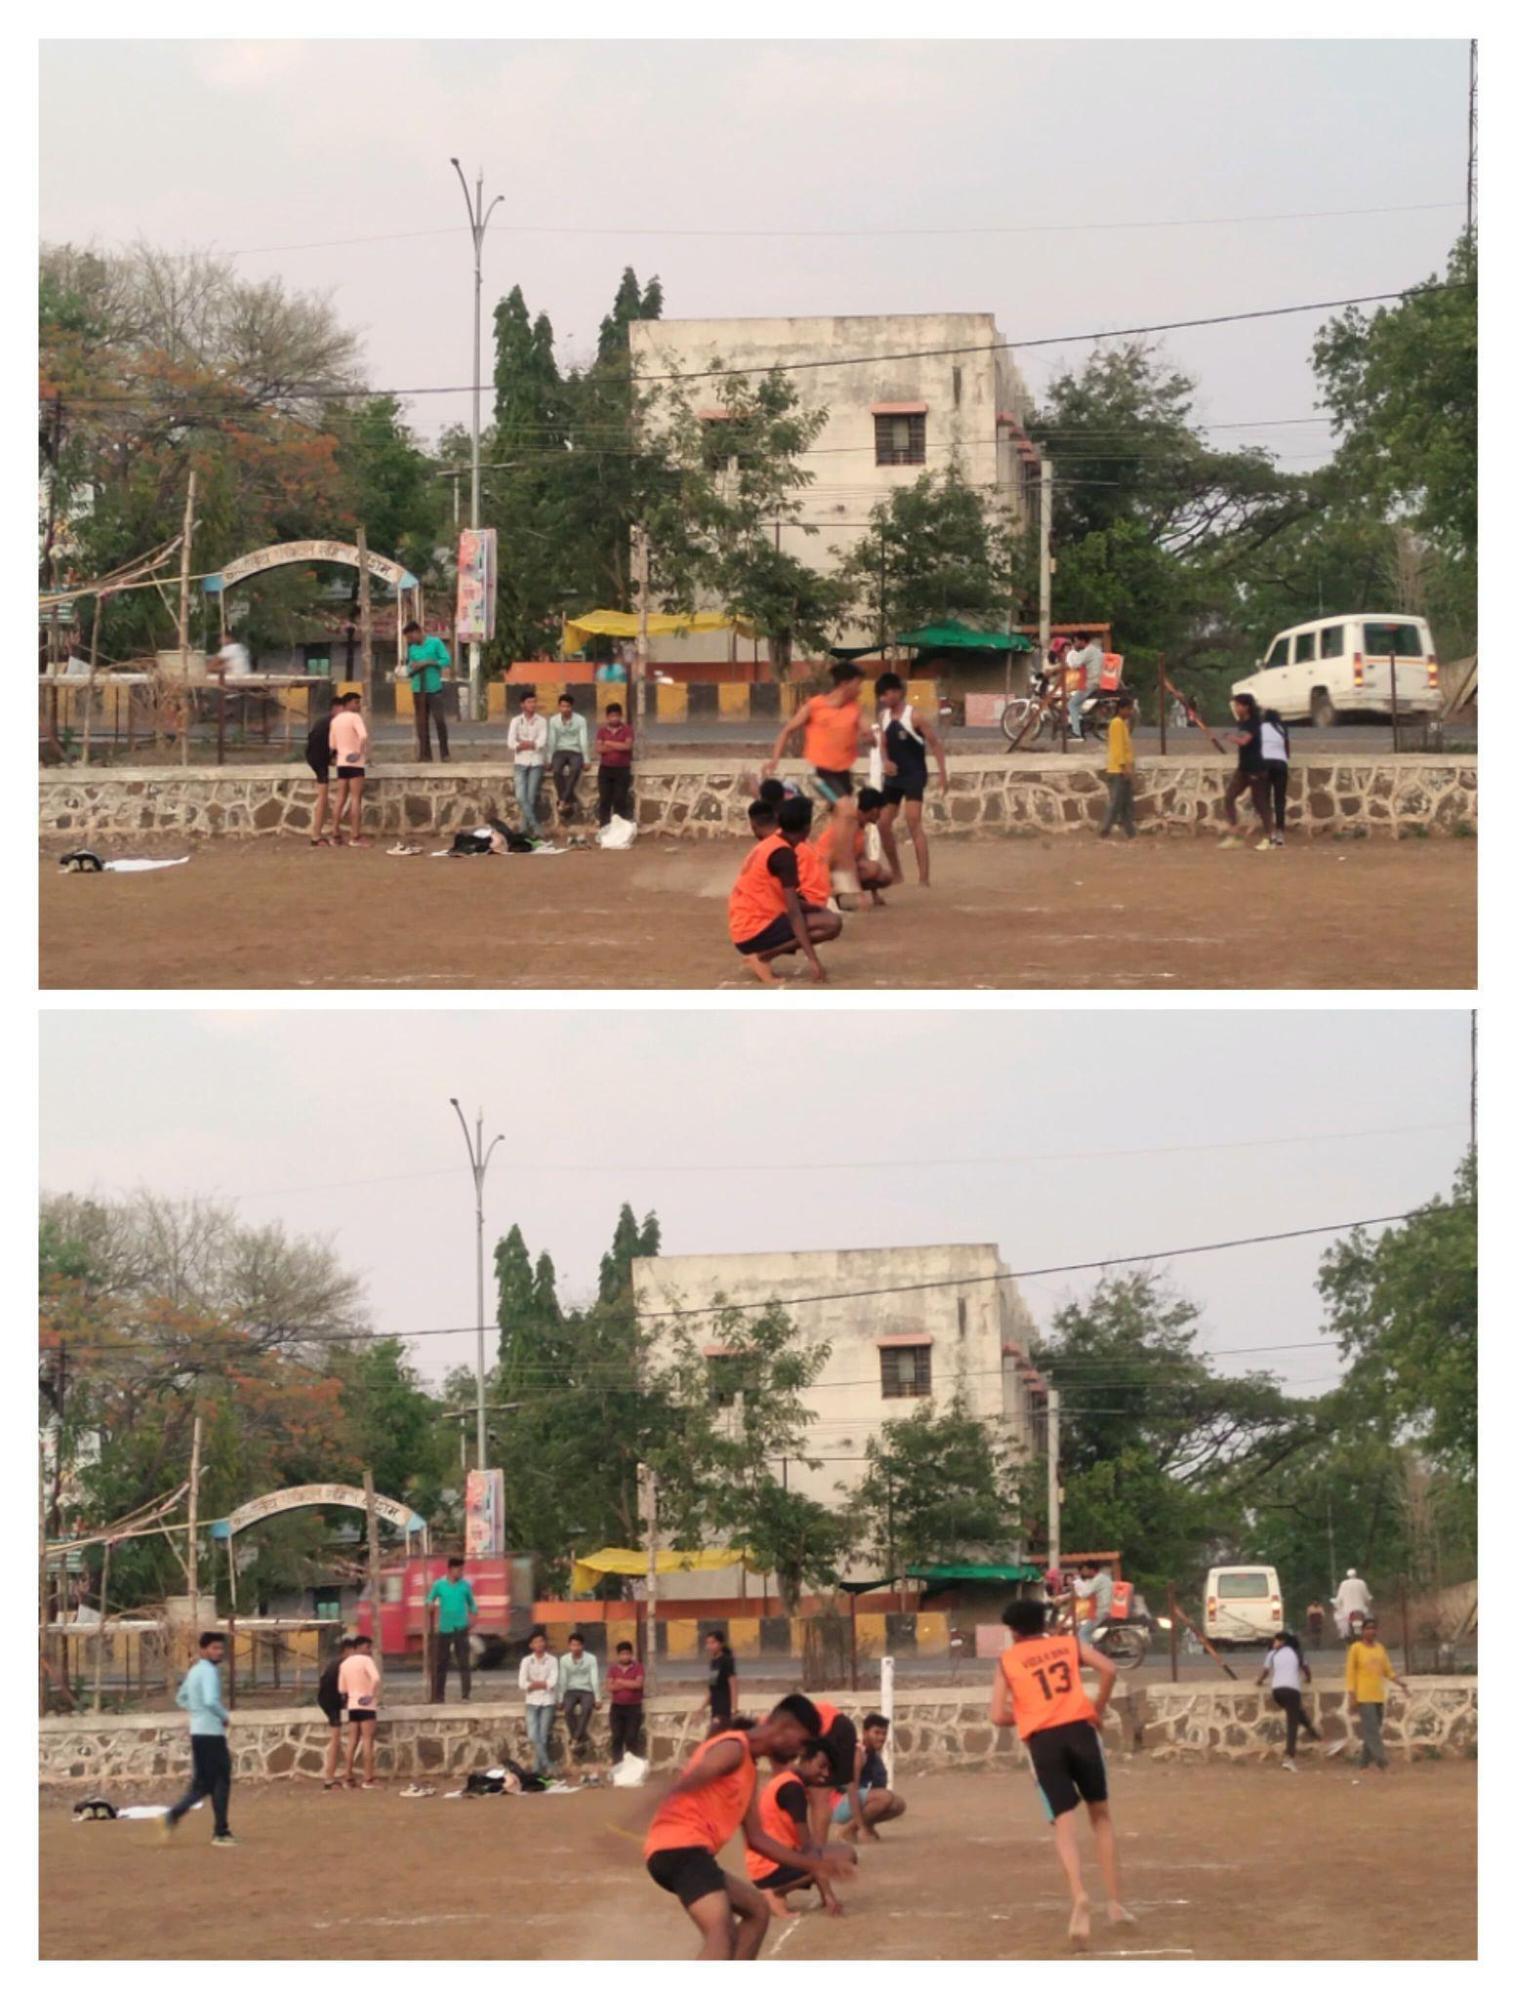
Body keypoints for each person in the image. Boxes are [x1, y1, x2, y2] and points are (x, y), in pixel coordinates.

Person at [643, 1693, 844, 1959]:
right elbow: (697, 1776)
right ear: (786, 1727)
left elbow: (758, 1838)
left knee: (757, 1911)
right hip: (679, 1850)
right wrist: (639, 1812)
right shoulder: (734, 1747)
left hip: (692, 1854)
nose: (800, 1752)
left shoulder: (747, 1769)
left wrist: (814, 1865)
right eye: (802, 1742)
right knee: (721, 1932)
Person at [990, 1598, 1134, 1948]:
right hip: (1080, 1731)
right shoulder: (1067, 1643)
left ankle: (1079, 1896)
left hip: (1043, 1741)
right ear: (1043, 1623)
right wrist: (1096, 1709)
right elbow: (1110, 1670)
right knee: (1100, 1816)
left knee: (1063, 1825)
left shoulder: (1007, 1661)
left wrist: (1026, 1714)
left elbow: (996, 1715)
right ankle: (1114, 1904)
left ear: (1013, 1631)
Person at [762, 661, 872, 896]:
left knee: (845, 824)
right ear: (844, 684)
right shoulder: (815, 706)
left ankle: (823, 870)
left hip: (843, 775)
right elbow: (787, 730)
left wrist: (870, 738)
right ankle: (838, 873)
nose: (860, 689)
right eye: (857, 684)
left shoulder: (854, 709)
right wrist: (774, 760)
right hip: (821, 773)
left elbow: (868, 732)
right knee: (848, 811)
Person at [727, 797, 841, 986]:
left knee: (823, 914)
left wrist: (812, 908)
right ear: (807, 827)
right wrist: (813, 960)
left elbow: (786, 901)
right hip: (752, 928)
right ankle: (763, 956)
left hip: (747, 921)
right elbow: (793, 911)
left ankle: (762, 954)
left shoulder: (772, 844)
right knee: (831, 923)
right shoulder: (784, 855)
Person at [748, 1739, 854, 1917]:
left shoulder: (787, 1782)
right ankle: (776, 1892)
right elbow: (808, 1850)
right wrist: (828, 1895)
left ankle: (777, 1889)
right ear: (805, 1760)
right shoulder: (792, 1789)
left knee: (837, 1854)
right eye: (821, 1766)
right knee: (844, 1856)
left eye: (828, 1769)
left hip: (767, 1861)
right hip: (768, 1867)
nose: (825, 1774)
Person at [874, 670, 948, 887]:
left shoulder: (914, 716)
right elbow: (883, 744)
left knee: (913, 822)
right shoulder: (883, 716)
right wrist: (885, 761)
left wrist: (943, 774)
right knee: (882, 824)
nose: (882, 699)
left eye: (885, 694)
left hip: (914, 774)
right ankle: (897, 872)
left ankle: (924, 878)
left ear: (896, 693)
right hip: (894, 778)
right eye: (880, 696)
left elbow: (935, 743)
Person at [162, 1630, 235, 1845]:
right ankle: (221, 1832)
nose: (218, 1652)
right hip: (212, 1733)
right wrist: (224, 1717)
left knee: (202, 1785)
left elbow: (181, 1697)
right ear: (203, 1650)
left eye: (220, 1648)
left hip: (198, 1733)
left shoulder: (194, 1671)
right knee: (221, 1780)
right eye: (214, 1648)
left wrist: (196, 1713)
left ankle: (173, 1815)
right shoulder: (209, 1672)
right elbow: (211, 1700)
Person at [833, 1712, 906, 1841]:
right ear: (865, 1732)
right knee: (885, 1797)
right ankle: (847, 1830)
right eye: (876, 1733)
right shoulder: (858, 1753)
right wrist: (861, 1827)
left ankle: (864, 1826)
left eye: (883, 1733)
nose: (881, 1737)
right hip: (839, 1803)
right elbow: (852, 1790)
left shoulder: (875, 1758)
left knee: (898, 1804)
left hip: (855, 1801)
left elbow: (877, 1788)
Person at [1343, 1616, 1402, 1772]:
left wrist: (1400, 1682)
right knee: (1372, 1731)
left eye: (1373, 1628)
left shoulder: (1380, 1649)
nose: (1371, 1631)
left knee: (1373, 1730)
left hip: (1378, 1696)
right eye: (1368, 1628)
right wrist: (1352, 1695)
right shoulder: (1356, 1648)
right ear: (1362, 1631)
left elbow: (1387, 1670)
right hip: (1363, 1696)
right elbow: (1350, 1673)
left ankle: (1362, 1763)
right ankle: (1383, 1763)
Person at [1257, 1631, 1320, 1771]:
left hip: (1277, 1691)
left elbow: (1265, 1672)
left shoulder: (1272, 1654)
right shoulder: (1297, 1653)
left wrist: (1259, 1681)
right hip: (1292, 1690)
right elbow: (1307, 1670)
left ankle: (1311, 1730)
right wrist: (1308, 1679)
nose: (1274, 1643)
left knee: (1296, 1713)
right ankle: (1289, 1757)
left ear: (1282, 1641)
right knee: (1293, 1722)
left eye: (1276, 1641)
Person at [818, 786, 892, 906]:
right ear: (874, 810)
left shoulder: (861, 825)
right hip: (824, 870)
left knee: (884, 875)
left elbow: (861, 857)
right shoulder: (850, 823)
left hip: (840, 868)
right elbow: (845, 858)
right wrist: (860, 895)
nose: (881, 815)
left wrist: (875, 895)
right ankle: (833, 892)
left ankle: (840, 889)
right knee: (872, 869)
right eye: (881, 810)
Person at [806, 1701, 865, 1849]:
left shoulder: (780, 1727)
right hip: (840, 1726)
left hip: (835, 1729)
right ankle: (819, 1848)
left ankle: (819, 1850)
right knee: (817, 1795)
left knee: (818, 1795)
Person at [1219, 692, 1273, 851]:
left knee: (1260, 803)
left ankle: (1271, 838)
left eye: (1238, 705)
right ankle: (1234, 835)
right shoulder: (1243, 722)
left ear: (1246, 707)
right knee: (1229, 797)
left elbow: (1244, 741)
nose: (1236, 708)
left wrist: (1229, 737)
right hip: (1244, 769)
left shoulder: (1254, 723)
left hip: (1257, 769)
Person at [425, 1554, 477, 1704]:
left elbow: (472, 1603)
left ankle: (465, 1695)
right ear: (450, 1569)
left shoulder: (465, 1586)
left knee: (464, 1663)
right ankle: (439, 1695)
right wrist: (429, 1604)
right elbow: (430, 1598)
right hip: (445, 1628)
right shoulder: (439, 1585)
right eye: (459, 1569)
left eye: (462, 1570)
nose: (461, 1572)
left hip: (461, 1628)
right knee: (441, 1663)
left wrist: (474, 1615)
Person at [305, 689, 351, 848]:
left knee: (324, 797)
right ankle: (316, 837)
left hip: (316, 757)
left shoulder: (325, 721)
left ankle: (320, 835)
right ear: (336, 709)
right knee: (323, 798)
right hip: (318, 760)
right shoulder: (333, 722)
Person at [402, 620, 452, 762]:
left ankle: (444, 753)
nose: (410, 641)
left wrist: (428, 662)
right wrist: (414, 668)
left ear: (418, 632)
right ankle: (425, 754)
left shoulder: (435, 643)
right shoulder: (412, 649)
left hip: (434, 689)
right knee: (421, 723)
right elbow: (410, 668)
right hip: (418, 689)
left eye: (411, 638)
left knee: (439, 721)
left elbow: (446, 660)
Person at [339, 1632, 382, 1789]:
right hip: (366, 1703)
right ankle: (368, 1778)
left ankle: (348, 1776)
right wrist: (369, 1695)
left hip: (352, 1704)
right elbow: (376, 1678)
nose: (369, 1650)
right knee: (367, 1740)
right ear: (359, 1647)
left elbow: (341, 1688)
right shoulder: (366, 1661)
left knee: (352, 1741)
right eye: (367, 1646)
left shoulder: (345, 1664)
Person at [330, 688, 370, 848]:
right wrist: (358, 752)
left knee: (340, 798)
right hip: (354, 762)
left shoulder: (335, 720)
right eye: (356, 702)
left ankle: (335, 834)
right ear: (348, 703)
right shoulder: (355, 718)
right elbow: (363, 736)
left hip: (341, 762)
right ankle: (355, 835)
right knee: (355, 798)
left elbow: (332, 744)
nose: (359, 705)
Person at [518, 1626, 559, 1777]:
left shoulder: (552, 1660)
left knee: (542, 1736)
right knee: (533, 1736)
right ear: (531, 1645)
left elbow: (553, 1682)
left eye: (541, 1641)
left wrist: (534, 1684)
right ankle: (548, 1764)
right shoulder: (526, 1661)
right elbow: (522, 1683)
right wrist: (539, 1684)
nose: (539, 1644)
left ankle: (537, 1770)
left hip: (548, 1702)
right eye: (536, 1642)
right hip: (531, 1702)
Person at [507, 692, 549, 837]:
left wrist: (526, 744)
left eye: (534, 702)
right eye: (529, 702)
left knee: (530, 798)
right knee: (520, 797)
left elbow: (541, 742)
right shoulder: (516, 721)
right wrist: (526, 744)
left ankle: (523, 830)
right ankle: (535, 827)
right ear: (522, 704)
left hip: (536, 762)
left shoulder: (542, 721)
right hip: (520, 762)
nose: (532, 705)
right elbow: (511, 743)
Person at [317, 1634, 355, 1789]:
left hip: (328, 1701)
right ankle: (329, 1778)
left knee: (337, 1740)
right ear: (347, 1650)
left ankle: (333, 1776)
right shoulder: (343, 1664)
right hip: (331, 1703)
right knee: (335, 1740)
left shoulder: (336, 1663)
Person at [1099, 693, 1138, 839]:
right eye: (1128, 709)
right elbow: (1117, 748)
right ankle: (1105, 829)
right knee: (1116, 802)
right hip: (1118, 770)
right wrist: (1124, 767)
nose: (1130, 712)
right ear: (1121, 709)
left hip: (1123, 768)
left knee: (1126, 803)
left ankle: (1130, 832)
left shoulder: (1122, 724)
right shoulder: (1116, 723)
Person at [548, 693, 590, 824]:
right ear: (559, 707)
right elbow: (551, 741)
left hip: (575, 751)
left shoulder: (580, 720)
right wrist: (549, 758)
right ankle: (566, 800)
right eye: (562, 706)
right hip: (560, 751)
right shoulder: (554, 720)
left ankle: (562, 800)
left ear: (572, 707)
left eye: (567, 706)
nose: (565, 709)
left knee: (575, 769)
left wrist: (587, 759)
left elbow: (583, 740)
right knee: (556, 771)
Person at [560, 1630, 601, 1763]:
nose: (575, 1648)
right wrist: (560, 1698)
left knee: (587, 1708)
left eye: (578, 1645)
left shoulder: (591, 1659)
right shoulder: (564, 1660)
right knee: (568, 1710)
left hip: (586, 1690)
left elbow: (594, 1679)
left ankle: (574, 1739)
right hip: (571, 1691)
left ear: (582, 1646)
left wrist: (598, 1698)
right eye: (573, 1645)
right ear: (569, 1646)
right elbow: (562, 1680)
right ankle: (580, 1738)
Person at [596, 701, 635, 827]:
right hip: (605, 769)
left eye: (617, 715)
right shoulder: (602, 731)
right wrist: (618, 745)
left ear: (621, 716)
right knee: (604, 800)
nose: (614, 718)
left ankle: (620, 829)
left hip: (622, 769)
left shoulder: (627, 730)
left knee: (620, 799)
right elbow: (599, 749)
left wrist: (609, 743)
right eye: (612, 716)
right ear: (607, 717)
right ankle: (604, 828)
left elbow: (627, 746)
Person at [608, 1639, 646, 1763]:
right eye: (622, 1654)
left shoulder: (638, 1667)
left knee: (631, 1737)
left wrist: (620, 1681)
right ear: (618, 1655)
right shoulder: (613, 1669)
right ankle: (617, 1765)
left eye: (627, 1653)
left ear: (631, 1654)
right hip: (617, 1707)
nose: (625, 1656)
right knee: (617, 1737)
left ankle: (632, 1765)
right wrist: (629, 1683)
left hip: (634, 1707)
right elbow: (610, 1687)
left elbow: (638, 1685)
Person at [1064, 633, 1106, 741]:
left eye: (1076, 641)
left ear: (1082, 641)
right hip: (1097, 681)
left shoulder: (1087, 651)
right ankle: (1079, 726)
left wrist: (1070, 654)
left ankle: (1077, 733)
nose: (1075, 644)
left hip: (1090, 683)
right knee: (1077, 705)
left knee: (1071, 704)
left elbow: (1075, 664)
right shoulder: (1096, 650)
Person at [1261, 706, 1291, 847]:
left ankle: (1269, 833)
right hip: (1280, 764)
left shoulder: (1259, 728)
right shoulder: (1282, 728)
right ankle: (1280, 834)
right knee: (1280, 801)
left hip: (1265, 765)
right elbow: (1287, 751)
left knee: (1266, 801)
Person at [703, 1630, 739, 1735]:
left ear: (721, 1644)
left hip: (724, 1708)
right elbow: (712, 1687)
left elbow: (733, 1686)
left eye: (713, 1642)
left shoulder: (727, 1661)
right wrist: (702, 1708)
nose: (710, 1646)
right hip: (715, 1708)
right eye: (708, 1643)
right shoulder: (713, 1662)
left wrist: (734, 1708)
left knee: (717, 1736)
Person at [1333, 1568, 1373, 1643]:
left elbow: (1339, 1599)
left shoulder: (1343, 1584)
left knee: (1339, 1619)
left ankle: (1344, 1635)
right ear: (1356, 1574)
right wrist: (1368, 1604)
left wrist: (1337, 1606)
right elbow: (1367, 1597)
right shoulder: (1362, 1583)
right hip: (1361, 1610)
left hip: (1347, 1611)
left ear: (1347, 1575)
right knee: (1370, 1619)